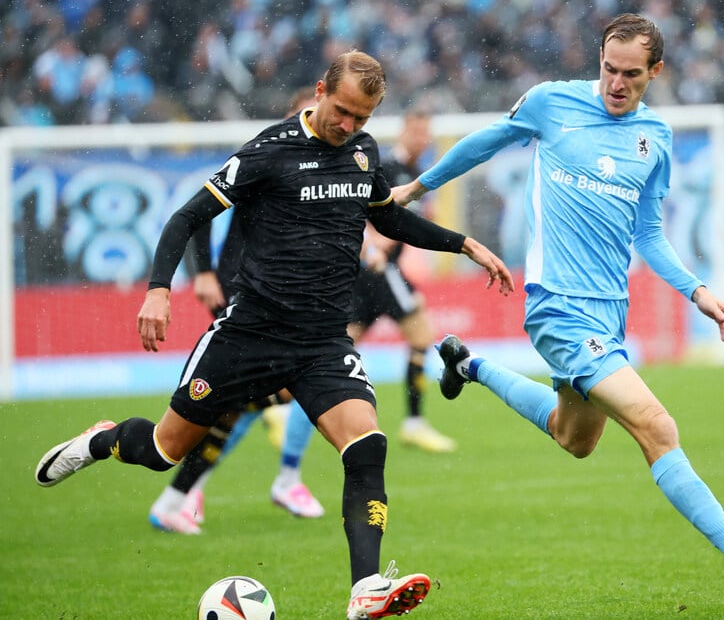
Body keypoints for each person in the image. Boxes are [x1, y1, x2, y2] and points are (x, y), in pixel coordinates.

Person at [35, 50, 514, 619]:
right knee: (164, 451)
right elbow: (186, 217)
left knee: (367, 446)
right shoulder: (269, 151)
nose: (348, 127)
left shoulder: (362, 153)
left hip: (321, 343)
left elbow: (388, 217)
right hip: (248, 335)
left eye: (361, 118)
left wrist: (464, 243)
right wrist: (160, 289)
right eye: (340, 112)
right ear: (319, 89)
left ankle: (365, 590)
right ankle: (102, 440)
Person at [390, 13, 724, 601]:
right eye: (608, 69)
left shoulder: (656, 139)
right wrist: (414, 190)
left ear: (656, 71)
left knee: (573, 438)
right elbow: (484, 142)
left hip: (609, 316)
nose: (616, 83)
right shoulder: (552, 103)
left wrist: (699, 293)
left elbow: (649, 235)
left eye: (632, 74)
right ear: (598, 59)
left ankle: (467, 364)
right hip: (557, 307)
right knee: (657, 426)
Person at [148, 86, 326, 535]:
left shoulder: (327, 165)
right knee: (244, 400)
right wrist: (203, 271)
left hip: (279, 299)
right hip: (243, 291)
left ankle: (182, 494)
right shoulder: (269, 154)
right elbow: (200, 210)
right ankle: (188, 490)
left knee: (240, 405)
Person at [349, 108, 457, 453]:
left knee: (340, 348)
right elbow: (362, 209)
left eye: (425, 133)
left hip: (369, 273)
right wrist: (374, 244)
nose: (421, 139)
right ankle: (413, 423)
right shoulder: (389, 168)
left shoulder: (412, 171)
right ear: (403, 133)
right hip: (379, 270)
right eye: (415, 132)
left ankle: (277, 401)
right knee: (421, 333)